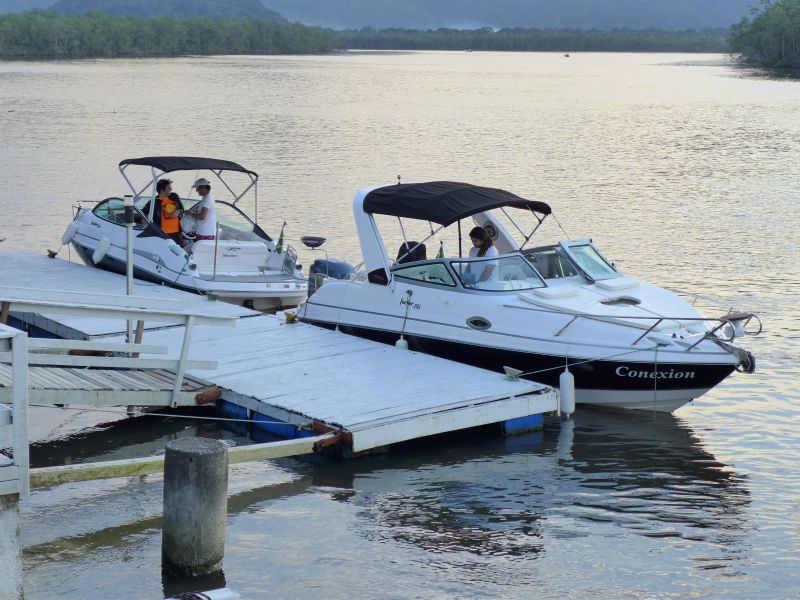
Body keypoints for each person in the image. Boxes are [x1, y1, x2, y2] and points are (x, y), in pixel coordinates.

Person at [155, 178, 183, 244]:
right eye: (168, 188)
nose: (171, 189)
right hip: (163, 233)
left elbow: (182, 209)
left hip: (177, 232)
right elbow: (144, 214)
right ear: (162, 189)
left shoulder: (174, 196)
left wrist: (178, 211)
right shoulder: (154, 201)